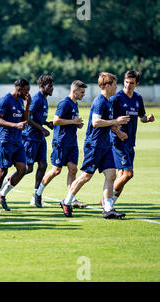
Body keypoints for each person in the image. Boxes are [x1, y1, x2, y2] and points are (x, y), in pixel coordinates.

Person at [60, 72, 130, 219]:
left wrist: (118, 132)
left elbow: (107, 123)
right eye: (114, 84)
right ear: (107, 85)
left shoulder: (109, 101)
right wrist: (117, 121)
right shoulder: (100, 101)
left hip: (105, 146)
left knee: (111, 175)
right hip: (94, 146)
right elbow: (96, 122)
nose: (117, 86)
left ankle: (108, 208)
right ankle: (67, 202)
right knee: (86, 177)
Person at [34, 80, 87, 208]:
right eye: (82, 92)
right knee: (56, 170)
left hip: (72, 142)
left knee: (73, 170)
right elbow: (56, 121)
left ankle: (71, 199)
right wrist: (73, 121)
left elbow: (71, 121)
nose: (83, 94)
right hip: (61, 142)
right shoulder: (65, 103)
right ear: (74, 91)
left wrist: (77, 124)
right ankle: (38, 193)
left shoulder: (75, 104)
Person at [109, 70, 155, 208]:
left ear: (137, 84)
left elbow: (141, 117)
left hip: (130, 142)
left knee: (122, 175)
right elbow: (107, 121)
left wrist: (148, 119)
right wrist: (118, 132)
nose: (128, 85)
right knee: (129, 174)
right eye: (126, 82)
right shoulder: (116, 98)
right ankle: (106, 201)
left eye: (132, 83)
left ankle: (111, 204)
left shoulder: (138, 98)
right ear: (124, 81)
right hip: (118, 142)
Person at [0, 79, 31, 213]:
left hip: (17, 140)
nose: (27, 93)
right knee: (3, 172)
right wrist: (15, 125)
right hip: (5, 140)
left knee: (22, 169)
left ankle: (2, 195)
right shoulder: (6, 100)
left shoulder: (20, 101)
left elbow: (26, 120)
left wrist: (28, 105)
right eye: (26, 91)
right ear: (18, 89)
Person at [23, 75, 54, 208]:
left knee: (43, 165)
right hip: (31, 137)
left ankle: (36, 195)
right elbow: (28, 118)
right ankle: (6, 186)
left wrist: (47, 123)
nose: (52, 88)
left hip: (39, 138)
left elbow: (37, 118)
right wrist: (42, 129)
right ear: (42, 86)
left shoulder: (44, 99)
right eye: (49, 86)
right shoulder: (36, 99)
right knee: (27, 168)